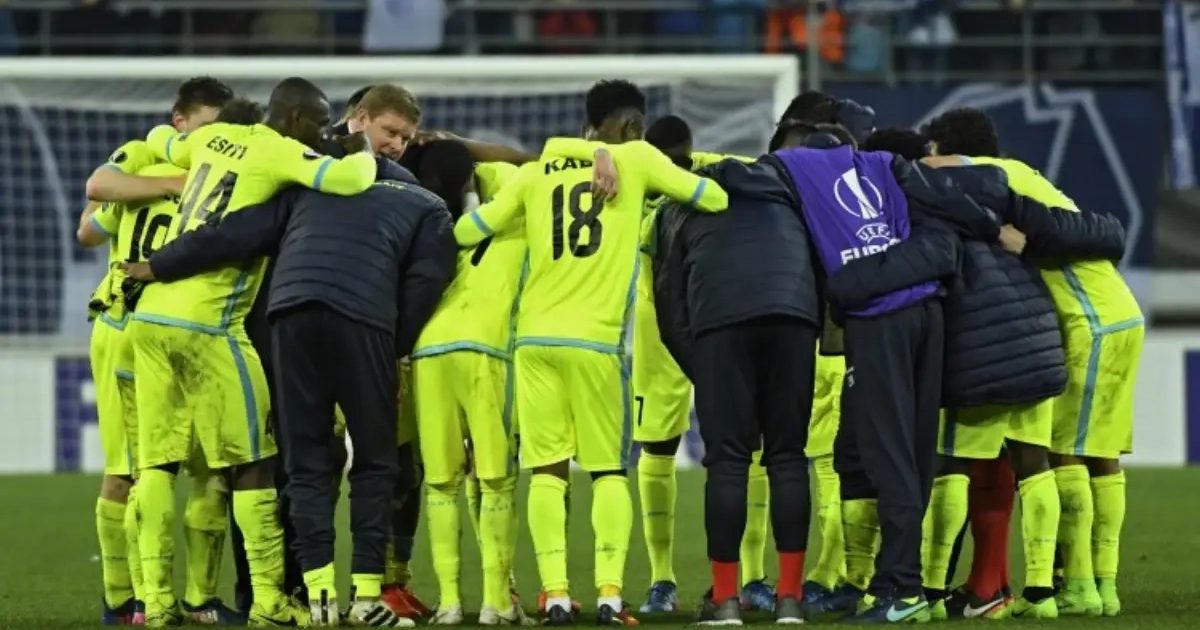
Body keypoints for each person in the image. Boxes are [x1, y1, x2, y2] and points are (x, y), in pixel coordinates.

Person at [123, 149, 454, 627]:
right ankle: (365, 597)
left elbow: (233, 231)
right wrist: (394, 350)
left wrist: (159, 264)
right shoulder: (428, 207)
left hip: (290, 314)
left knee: (306, 460)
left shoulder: (307, 192)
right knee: (375, 461)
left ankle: (318, 596)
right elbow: (425, 282)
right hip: (363, 319)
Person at [454, 79, 728, 626]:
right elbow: (714, 198)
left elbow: (468, 230)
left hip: (533, 343)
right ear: (633, 127)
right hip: (596, 343)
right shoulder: (640, 160)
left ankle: (555, 596)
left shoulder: (535, 173)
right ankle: (608, 595)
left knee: (548, 473)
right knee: (607, 472)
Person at [124, 76, 377, 627]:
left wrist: (154, 156)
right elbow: (353, 179)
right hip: (209, 324)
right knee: (255, 462)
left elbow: (161, 140)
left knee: (158, 464)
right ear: (294, 118)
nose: (320, 131)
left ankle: (157, 603)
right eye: (317, 122)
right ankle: (268, 602)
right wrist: (359, 147)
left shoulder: (210, 137)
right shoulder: (279, 150)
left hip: (151, 316)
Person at [775, 121, 1002, 623]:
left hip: (879, 320)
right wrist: (994, 226)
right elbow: (950, 205)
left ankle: (903, 589)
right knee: (916, 453)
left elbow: (728, 173)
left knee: (888, 452)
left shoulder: (797, 172)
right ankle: (897, 583)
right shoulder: (889, 168)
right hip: (929, 311)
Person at [923, 107, 1144, 618]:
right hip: (1116, 313)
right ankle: (1099, 586)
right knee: (1099, 456)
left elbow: (933, 168)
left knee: (1064, 454)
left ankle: (1079, 586)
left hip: (1087, 319)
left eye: (935, 150)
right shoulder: (1023, 177)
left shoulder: (995, 176)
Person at [76, 75, 234, 627]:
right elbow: (95, 202)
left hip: (186, 331)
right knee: (133, 469)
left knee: (206, 467)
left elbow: (90, 229)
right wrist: (177, 182)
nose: (208, 139)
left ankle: (193, 599)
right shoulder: (147, 156)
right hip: (128, 327)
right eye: (203, 127)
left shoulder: (214, 170)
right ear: (179, 121)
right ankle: (126, 599)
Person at [647, 139, 826, 626]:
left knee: (728, 460)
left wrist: (707, 376)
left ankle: (725, 599)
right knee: (788, 456)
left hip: (721, 323)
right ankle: (790, 599)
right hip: (793, 317)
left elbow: (670, 307)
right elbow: (819, 272)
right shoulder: (790, 198)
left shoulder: (680, 207)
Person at [402, 140, 529, 626]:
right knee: (496, 481)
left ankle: (450, 603)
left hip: (429, 349)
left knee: (440, 483)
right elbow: (527, 165)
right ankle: (498, 603)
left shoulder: (438, 226)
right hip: (486, 348)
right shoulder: (521, 209)